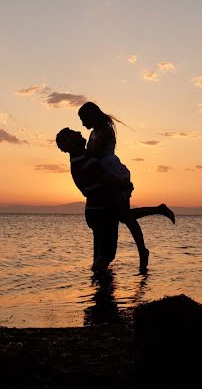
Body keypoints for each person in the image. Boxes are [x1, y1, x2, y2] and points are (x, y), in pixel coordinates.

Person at [56, 127, 172, 272]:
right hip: (101, 211)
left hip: (96, 210)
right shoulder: (85, 161)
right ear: (71, 143)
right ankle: (98, 282)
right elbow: (104, 178)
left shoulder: (81, 158)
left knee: (101, 252)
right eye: (75, 133)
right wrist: (125, 184)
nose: (79, 132)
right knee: (107, 255)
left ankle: (99, 286)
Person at [78, 102, 174, 271]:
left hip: (113, 173)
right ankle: (156, 217)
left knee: (125, 216)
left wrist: (77, 151)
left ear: (91, 116)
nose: (82, 123)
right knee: (124, 216)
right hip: (104, 174)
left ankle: (143, 250)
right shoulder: (94, 132)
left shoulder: (106, 131)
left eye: (83, 119)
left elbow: (96, 154)